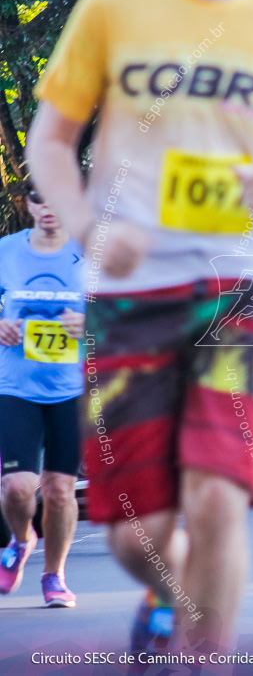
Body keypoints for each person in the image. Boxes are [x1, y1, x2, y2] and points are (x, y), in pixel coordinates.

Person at [27, 0, 253, 655]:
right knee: (133, 531)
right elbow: (50, 139)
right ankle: (171, 592)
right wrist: (91, 227)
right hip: (131, 289)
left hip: (244, 284)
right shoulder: (110, 9)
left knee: (217, 499)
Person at [0, 182, 85, 609]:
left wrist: (90, 326)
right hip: (16, 386)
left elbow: (122, 316)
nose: (48, 207)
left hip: (70, 390)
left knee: (59, 490)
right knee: (17, 488)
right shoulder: (6, 252)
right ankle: (20, 541)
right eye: (38, 198)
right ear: (27, 204)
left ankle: (55, 576)